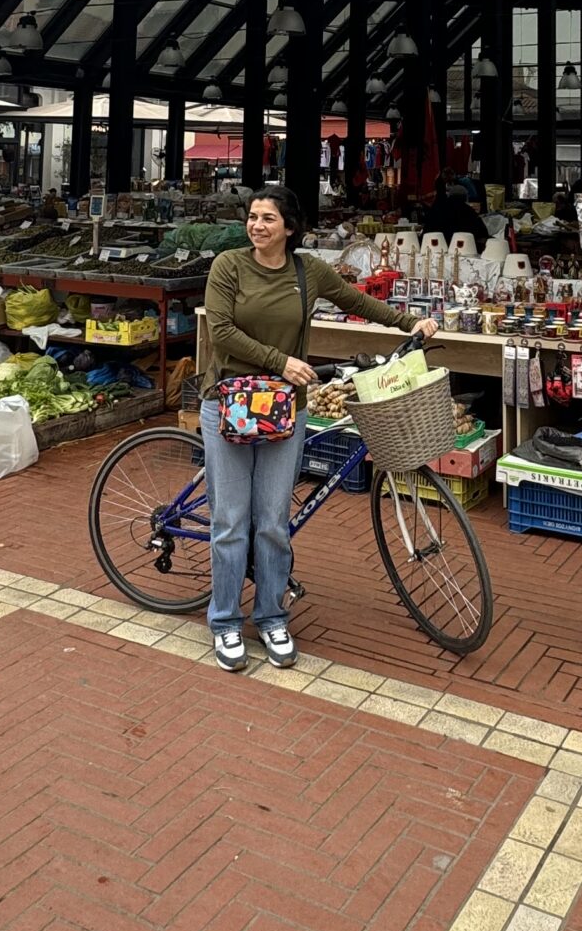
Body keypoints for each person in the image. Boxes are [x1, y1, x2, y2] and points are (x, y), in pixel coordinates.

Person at [199, 185, 436, 674]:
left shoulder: (308, 272)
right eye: (253, 217)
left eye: (268, 218)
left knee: (272, 521)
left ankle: (271, 616)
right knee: (230, 521)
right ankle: (225, 621)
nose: (257, 225)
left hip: (287, 408)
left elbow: (358, 302)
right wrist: (281, 361)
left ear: (290, 227)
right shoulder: (229, 266)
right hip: (230, 403)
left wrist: (411, 323)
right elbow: (220, 331)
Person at [423, 174, 489, 250]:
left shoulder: (437, 210)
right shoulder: (469, 212)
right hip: (463, 251)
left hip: (435, 249)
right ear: (465, 198)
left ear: (449, 195)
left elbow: (426, 232)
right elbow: (482, 234)